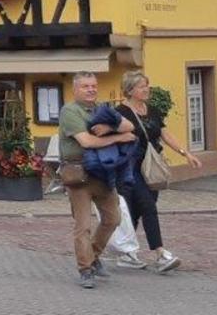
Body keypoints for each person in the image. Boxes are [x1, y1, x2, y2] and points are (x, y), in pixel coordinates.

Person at [115, 70, 200, 273]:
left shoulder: (151, 109)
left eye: (147, 85)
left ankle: (127, 252)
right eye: (142, 86)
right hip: (130, 167)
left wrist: (185, 153)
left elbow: (163, 134)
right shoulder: (120, 112)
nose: (147, 89)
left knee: (137, 210)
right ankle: (160, 253)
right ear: (130, 90)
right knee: (148, 206)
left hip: (151, 166)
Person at [58, 71, 137, 289]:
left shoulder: (103, 108)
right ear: (75, 89)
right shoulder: (70, 111)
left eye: (93, 85)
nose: (91, 89)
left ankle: (93, 256)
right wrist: (119, 137)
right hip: (79, 176)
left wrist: (109, 127)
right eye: (86, 86)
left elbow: (130, 126)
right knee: (83, 226)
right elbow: (87, 141)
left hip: (103, 173)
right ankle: (85, 269)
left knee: (113, 218)